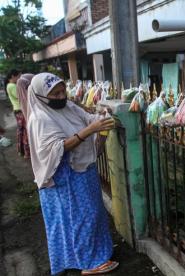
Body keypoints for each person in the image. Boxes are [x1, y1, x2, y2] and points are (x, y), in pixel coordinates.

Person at [27, 73, 119, 275]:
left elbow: (88, 118)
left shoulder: (67, 106)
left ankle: (92, 254)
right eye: (56, 94)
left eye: (62, 91)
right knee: (77, 219)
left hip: (81, 171)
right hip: (63, 178)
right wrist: (88, 131)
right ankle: (89, 263)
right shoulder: (40, 118)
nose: (62, 96)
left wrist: (102, 117)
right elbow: (57, 149)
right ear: (41, 96)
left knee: (91, 214)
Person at [6, 69, 29, 157]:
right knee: (25, 131)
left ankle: (22, 151)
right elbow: (21, 96)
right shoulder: (12, 86)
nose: (20, 78)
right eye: (18, 76)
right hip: (20, 110)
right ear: (13, 76)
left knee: (21, 131)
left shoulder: (10, 85)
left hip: (18, 110)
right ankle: (26, 152)